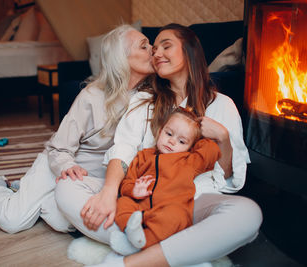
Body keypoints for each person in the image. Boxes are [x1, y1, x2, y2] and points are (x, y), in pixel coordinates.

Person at [56, 23, 263, 267]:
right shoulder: (145, 101)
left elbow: (227, 178)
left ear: (190, 51)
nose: (157, 54)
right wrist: (109, 193)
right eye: (154, 50)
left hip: (190, 203)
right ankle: (184, 251)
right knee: (67, 189)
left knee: (248, 215)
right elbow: (124, 148)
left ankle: (129, 261)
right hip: (140, 201)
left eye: (166, 46)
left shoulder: (222, 104)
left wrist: (224, 140)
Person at [0, 24, 155, 235]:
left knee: (65, 223)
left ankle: (23, 190)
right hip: (61, 165)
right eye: (144, 46)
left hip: (93, 181)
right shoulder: (92, 97)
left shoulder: (150, 98)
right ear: (122, 59)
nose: (153, 49)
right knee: (12, 221)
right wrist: (66, 167)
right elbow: (59, 148)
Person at [111, 107, 221, 255]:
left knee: (177, 216)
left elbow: (212, 150)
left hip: (167, 209)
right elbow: (126, 182)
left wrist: (201, 132)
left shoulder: (189, 161)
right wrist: (133, 190)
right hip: (139, 206)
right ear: (160, 131)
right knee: (122, 202)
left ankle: (141, 243)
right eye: (169, 133)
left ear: (190, 147)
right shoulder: (143, 156)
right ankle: (130, 230)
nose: (172, 141)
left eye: (182, 141)